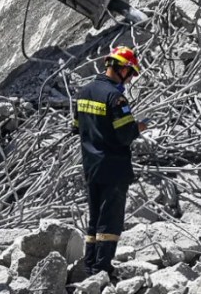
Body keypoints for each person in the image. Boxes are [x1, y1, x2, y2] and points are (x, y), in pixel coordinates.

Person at [74, 46, 147, 279]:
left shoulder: (83, 92)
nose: (131, 78)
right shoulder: (116, 98)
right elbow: (125, 134)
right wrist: (140, 127)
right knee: (110, 221)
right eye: (131, 72)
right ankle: (102, 268)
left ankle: (90, 266)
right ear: (121, 68)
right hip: (113, 167)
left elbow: (76, 128)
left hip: (91, 165)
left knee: (94, 219)